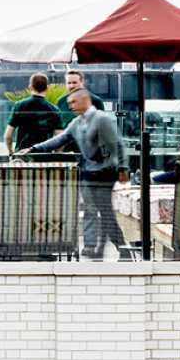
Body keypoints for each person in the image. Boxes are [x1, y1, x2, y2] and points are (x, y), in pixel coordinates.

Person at [37, 85, 128, 259]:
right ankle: (96, 246)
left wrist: (123, 168)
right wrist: (34, 148)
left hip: (105, 172)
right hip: (88, 172)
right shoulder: (77, 123)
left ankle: (121, 246)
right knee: (90, 208)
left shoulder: (102, 119)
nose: (70, 106)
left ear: (85, 100)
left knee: (105, 211)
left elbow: (117, 145)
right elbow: (60, 139)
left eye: (73, 102)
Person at [4, 74, 58, 155]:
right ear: (48, 88)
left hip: (22, 154)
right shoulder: (53, 109)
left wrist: (11, 152)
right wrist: (56, 154)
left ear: (30, 87)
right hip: (45, 155)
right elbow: (59, 135)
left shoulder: (19, 106)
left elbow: (8, 135)